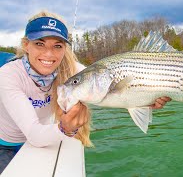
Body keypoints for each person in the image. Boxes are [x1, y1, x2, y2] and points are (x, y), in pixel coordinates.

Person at [0, 10, 171, 173]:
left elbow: (105, 86)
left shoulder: (74, 70)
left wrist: (146, 98)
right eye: (39, 44)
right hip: (5, 144)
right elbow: (34, 134)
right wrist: (65, 129)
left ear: (64, 49)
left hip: (45, 139)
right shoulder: (8, 74)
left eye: (57, 46)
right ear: (26, 45)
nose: (49, 54)